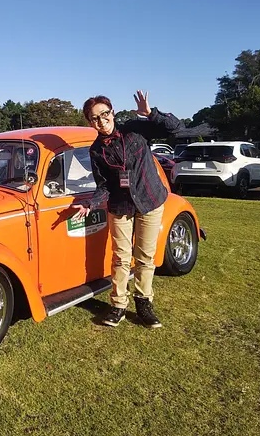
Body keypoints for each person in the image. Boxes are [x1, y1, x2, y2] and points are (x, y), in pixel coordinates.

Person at [73, 91, 184, 328]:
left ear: (112, 112)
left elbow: (176, 129)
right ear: (90, 122)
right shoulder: (96, 150)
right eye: (94, 118)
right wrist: (91, 203)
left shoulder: (134, 129)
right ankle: (118, 305)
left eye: (104, 114)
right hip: (120, 205)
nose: (101, 121)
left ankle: (144, 303)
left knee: (145, 257)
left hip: (149, 200)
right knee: (120, 257)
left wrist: (151, 114)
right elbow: (104, 185)